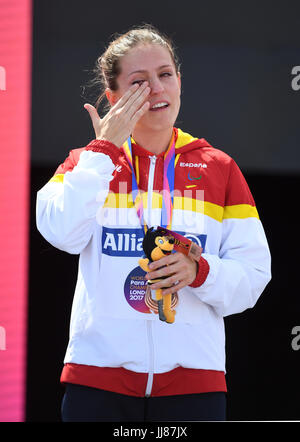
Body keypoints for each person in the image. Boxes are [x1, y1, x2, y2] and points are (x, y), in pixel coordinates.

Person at [36, 25, 271, 422]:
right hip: (98, 383)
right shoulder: (86, 163)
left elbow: (253, 277)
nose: (157, 89)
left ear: (180, 81)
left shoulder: (219, 168)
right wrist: (103, 153)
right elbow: (61, 233)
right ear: (113, 97)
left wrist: (200, 270)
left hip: (195, 385)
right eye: (139, 82)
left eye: (165, 74)